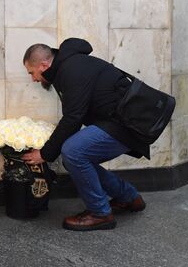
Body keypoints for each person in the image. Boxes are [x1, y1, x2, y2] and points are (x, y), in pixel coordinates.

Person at [21, 38, 147, 231]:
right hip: (119, 122)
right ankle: (129, 197)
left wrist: (45, 154)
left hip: (127, 124)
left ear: (44, 65)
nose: (34, 79)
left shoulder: (70, 69)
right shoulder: (67, 66)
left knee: (73, 151)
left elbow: (73, 118)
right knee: (74, 156)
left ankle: (100, 213)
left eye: (32, 72)